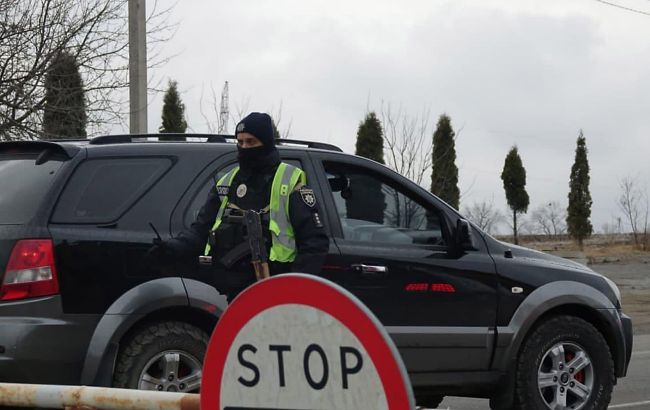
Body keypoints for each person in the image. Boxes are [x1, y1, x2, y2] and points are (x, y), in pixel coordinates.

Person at [150, 112, 329, 298]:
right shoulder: (227, 182)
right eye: (240, 142)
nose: (244, 148)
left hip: (277, 288)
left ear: (266, 143)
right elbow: (200, 230)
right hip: (234, 291)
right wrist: (174, 248)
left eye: (251, 142)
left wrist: (293, 289)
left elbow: (314, 243)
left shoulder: (289, 181)